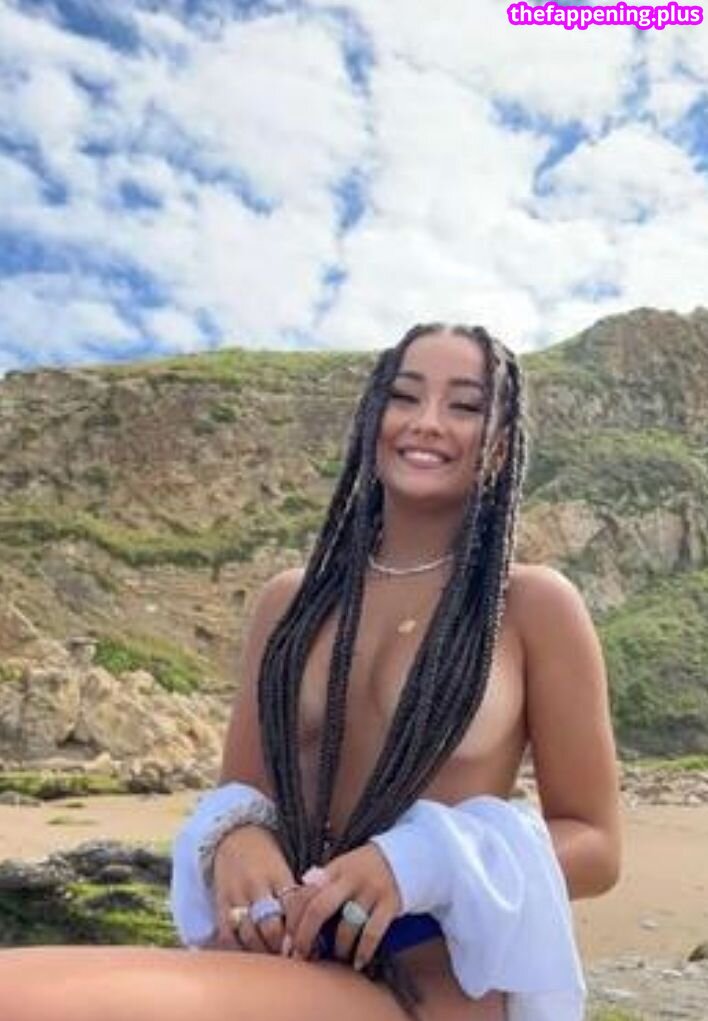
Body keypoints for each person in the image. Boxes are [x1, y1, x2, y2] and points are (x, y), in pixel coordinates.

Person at [0, 323, 621, 1021]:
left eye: (465, 405)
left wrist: (422, 861)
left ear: (500, 443)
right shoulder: (291, 604)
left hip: (423, 982)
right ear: (372, 418)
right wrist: (235, 838)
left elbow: (596, 845)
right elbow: (242, 792)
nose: (426, 421)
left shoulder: (530, 605)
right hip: (282, 955)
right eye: (404, 396)